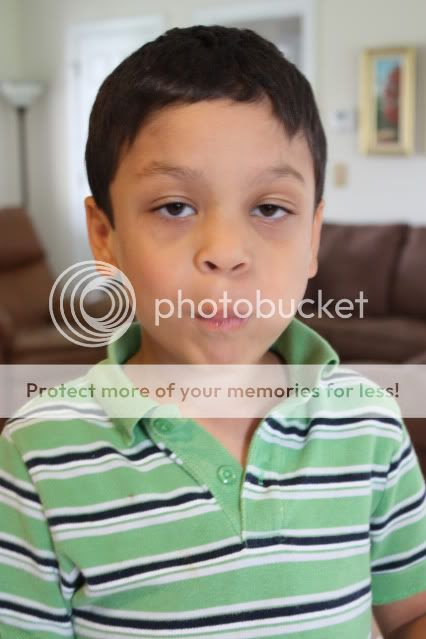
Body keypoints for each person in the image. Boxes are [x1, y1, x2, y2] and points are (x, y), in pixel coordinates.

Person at [1, 25, 425, 639]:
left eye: (270, 208)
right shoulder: (39, 457)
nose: (225, 252)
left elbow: (410, 612)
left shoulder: (372, 426)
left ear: (313, 238)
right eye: (175, 207)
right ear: (105, 237)